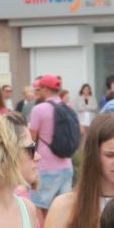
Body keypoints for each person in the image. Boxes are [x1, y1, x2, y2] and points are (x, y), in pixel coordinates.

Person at [25, 74, 76, 208]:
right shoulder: (68, 107)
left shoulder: (39, 109)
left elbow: (31, 139)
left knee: (39, 208)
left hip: (46, 167)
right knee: (63, 209)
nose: (38, 92)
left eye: (39, 89)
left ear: (46, 89)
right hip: (66, 166)